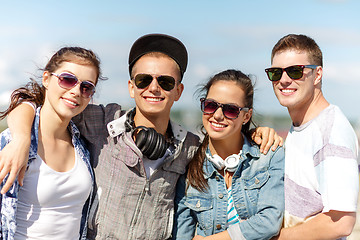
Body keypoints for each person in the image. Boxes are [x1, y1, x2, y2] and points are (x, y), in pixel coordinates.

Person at [0, 34, 282, 240]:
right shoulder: (101, 121)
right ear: (131, 87)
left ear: (179, 91)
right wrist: (21, 138)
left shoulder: (190, 147)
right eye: (144, 80)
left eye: (165, 82)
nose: (154, 88)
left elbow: (227, 144)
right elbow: (39, 105)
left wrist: (256, 131)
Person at [0, 47, 104, 239]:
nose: (75, 91)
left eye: (86, 87)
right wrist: (22, 138)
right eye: (67, 79)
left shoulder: (84, 144)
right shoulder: (12, 142)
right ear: (46, 79)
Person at [264, 34, 359, 240]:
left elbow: (341, 222)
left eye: (295, 71)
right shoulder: (303, 126)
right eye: (275, 73)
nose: (284, 80)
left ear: (317, 75)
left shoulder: (330, 132)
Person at [172, 69, 285, 240]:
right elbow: (181, 234)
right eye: (210, 105)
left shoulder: (269, 156)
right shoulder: (189, 167)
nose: (217, 115)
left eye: (230, 110)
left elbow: (269, 222)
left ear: (246, 116)